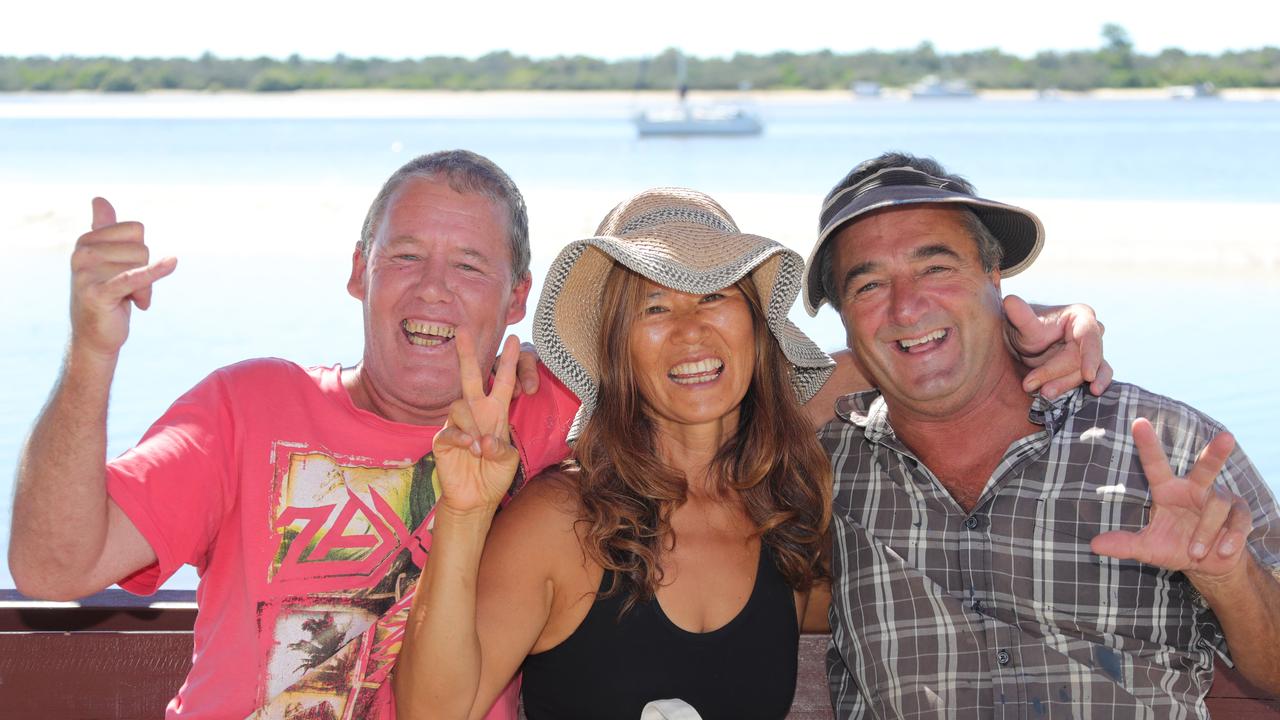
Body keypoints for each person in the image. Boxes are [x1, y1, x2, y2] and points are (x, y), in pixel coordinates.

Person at [7, 150, 580, 720]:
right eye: (405, 256)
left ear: (516, 298)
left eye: (470, 266)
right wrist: (91, 351)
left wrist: (558, 364)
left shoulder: (550, 415)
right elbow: (52, 569)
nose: (432, 288)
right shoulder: (247, 408)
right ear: (361, 271)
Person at [803, 152, 1280, 717]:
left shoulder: (1165, 444)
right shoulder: (823, 465)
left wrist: (1226, 575)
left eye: (936, 269)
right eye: (869, 286)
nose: (907, 306)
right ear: (842, 317)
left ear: (994, 275)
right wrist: (975, 330)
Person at [394, 187, 837, 719]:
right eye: (654, 306)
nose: (690, 330)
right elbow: (433, 713)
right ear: (616, 348)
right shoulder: (560, 521)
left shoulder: (792, 507)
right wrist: (464, 514)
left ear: (757, 328)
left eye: (714, 295)